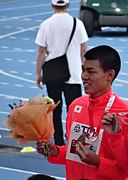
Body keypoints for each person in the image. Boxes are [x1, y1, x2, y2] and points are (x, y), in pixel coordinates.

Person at [36, 45, 128, 180]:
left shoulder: (125, 115)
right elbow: (73, 154)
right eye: (83, 70)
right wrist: (55, 151)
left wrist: (99, 163)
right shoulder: (77, 105)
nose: (84, 76)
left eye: (91, 71)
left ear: (110, 75)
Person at [35, 0, 89, 145]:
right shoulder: (78, 24)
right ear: (68, 5)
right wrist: (86, 70)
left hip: (53, 74)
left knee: (55, 110)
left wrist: (38, 73)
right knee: (76, 111)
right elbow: (83, 49)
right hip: (74, 73)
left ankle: (58, 142)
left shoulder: (46, 24)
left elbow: (41, 51)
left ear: (52, 5)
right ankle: (76, 142)